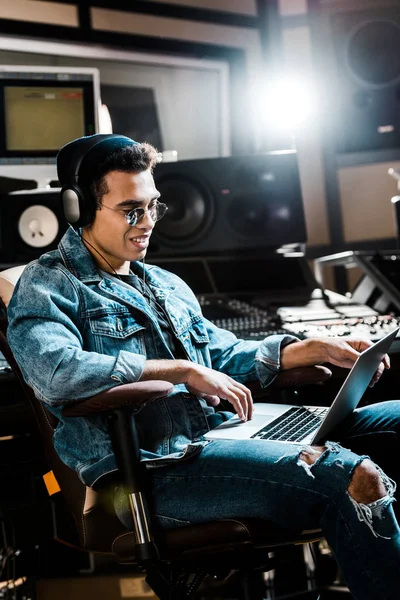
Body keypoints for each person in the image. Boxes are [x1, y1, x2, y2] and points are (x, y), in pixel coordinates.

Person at [6, 134, 400, 600]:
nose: (148, 222)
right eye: (132, 210)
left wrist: (309, 349)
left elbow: (222, 356)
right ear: (79, 208)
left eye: (154, 206)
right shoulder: (47, 285)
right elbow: (56, 371)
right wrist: (178, 371)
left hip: (221, 438)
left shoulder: (164, 282)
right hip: (156, 470)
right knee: (353, 478)